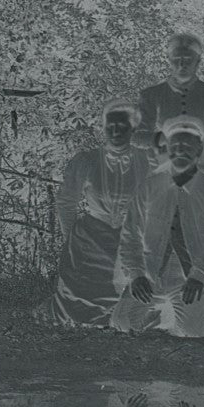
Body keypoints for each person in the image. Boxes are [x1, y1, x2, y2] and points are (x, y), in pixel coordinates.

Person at [111, 115, 204, 338]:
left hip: (189, 277)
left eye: (187, 145)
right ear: (167, 149)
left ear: (199, 151)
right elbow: (131, 234)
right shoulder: (150, 186)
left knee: (191, 333)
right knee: (122, 323)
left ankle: (182, 310)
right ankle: (158, 311)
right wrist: (137, 275)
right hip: (151, 272)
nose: (180, 150)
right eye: (175, 145)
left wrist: (199, 275)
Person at [45, 99, 151, 328]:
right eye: (110, 126)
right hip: (90, 243)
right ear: (103, 128)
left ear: (133, 128)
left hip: (129, 240)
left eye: (122, 126)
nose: (115, 132)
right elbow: (66, 201)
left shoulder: (146, 162)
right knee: (76, 313)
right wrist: (72, 237)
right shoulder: (87, 161)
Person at [134, 33, 204, 158]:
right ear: (169, 59)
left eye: (188, 58)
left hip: (202, 163)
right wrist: (164, 138)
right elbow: (138, 136)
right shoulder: (151, 95)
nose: (182, 64)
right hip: (163, 163)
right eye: (177, 58)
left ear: (198, 61)